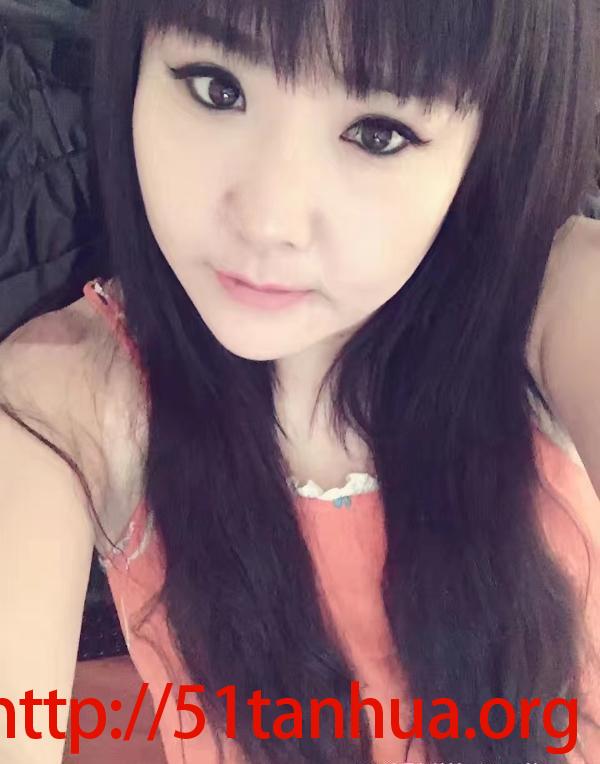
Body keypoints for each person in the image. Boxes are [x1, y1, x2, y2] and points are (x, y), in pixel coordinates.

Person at [0, 1, 599, 763]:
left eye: (378, 134)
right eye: (216, 86)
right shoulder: (65, 402)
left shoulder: (555, 303)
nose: (267, 222)